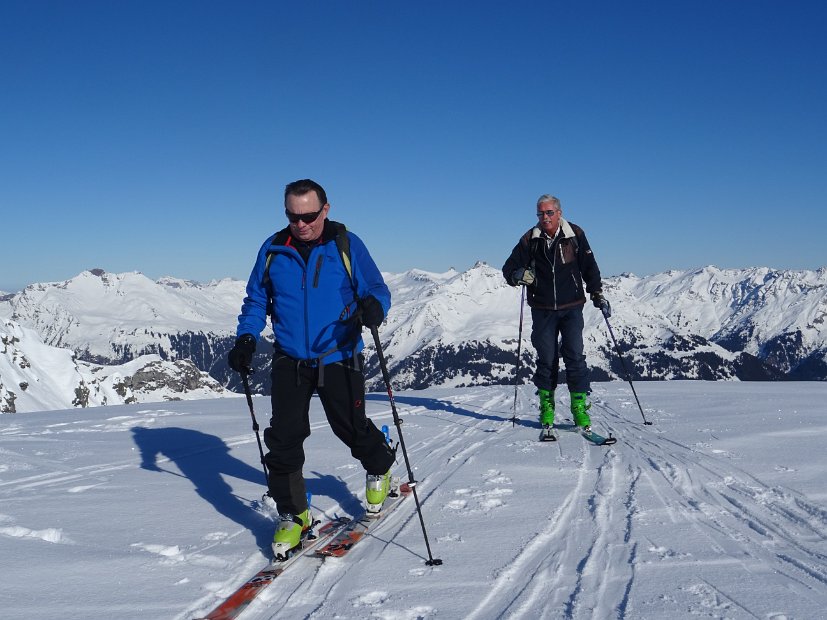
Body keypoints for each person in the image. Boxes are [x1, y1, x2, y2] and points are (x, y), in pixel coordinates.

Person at [227, 178, 396, 561]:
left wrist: (375, 308)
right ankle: (293, 513)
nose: (300, 224)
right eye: (292, 216)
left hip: (339, 354)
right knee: (284, 437)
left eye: (307, 215)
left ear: (325, 209)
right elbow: (256, 299)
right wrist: (247, 338)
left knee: (350, 427)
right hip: (289, 357)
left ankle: (380, 465)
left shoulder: (346, 245)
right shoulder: (273, 250)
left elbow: (377, 289)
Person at [502, 194, 610, 431]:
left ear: (559, 213)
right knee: (547, 360)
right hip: (542, 309)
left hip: (572, 306)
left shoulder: (574, 235)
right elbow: (509, 267)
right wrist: (516, 275)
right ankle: (547, 407)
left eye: (549, 213)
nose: (545, 218)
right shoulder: (530, 239)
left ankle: (579, 409)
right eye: (540, 213)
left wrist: (597, 293)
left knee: (575, 357)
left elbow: (589, 267)